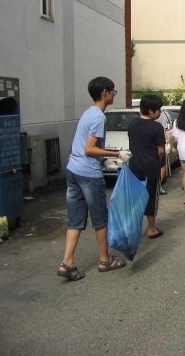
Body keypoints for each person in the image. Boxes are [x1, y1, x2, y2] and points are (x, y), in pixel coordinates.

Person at [57, 76, 130, 281]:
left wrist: (102, 160)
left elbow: (78, 147)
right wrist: (116, 155)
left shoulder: (87, 113)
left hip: (74, 170)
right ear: (105, 92)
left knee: (75, 219)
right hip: (88, 174)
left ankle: (67, 262)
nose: (114, 94)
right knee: (100, 219)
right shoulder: (98, 117)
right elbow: (90, 149)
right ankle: (105, 260)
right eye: (113, 91)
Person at [128, 95, 166, 239]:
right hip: (151, 168)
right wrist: (157, 159)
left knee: (135, 198)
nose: (160, 112)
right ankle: (151, 229)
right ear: (150, 111)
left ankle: (133, 228)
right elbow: (161, 150)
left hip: (134, 167)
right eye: (158, 110)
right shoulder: (157, 127)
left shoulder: (132, 124)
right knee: (151, 199)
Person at [156, 108, 171, 195]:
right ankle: (158, 186)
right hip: (159, 143)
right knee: (162, 165)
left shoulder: (140, 116)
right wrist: (167, 142)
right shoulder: (162, 116)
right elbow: (165, 131)